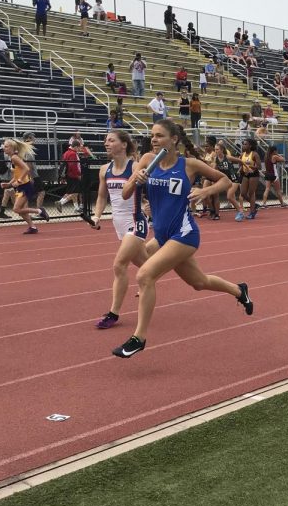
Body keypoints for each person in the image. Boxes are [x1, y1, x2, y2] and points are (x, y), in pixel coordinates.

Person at [111, 119, 254, 358]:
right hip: (164, 235)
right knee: (199, 282)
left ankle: (139, 338)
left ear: (174, 139)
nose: (154, 140)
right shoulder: (147, 160)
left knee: (145, 274)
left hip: (185, 233)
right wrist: (137, 180)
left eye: (159, 135)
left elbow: (225, 180)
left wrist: (204, 191)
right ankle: (239, 290)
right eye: (152, 135)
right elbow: (125, 193)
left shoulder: (188, 164)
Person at [91, 130, 150, 329]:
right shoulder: (103, 170)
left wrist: (151, 205)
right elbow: (101, 197)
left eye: (111, 140)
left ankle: (113, 313)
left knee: (119, 265)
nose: (106, 143)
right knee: (145, 264)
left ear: (124, 144)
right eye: (105, 140)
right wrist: (96, 215)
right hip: (118, 223)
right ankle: (159, 268)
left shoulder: (135, 167)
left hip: (136, 221)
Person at [0, 138, 50, 233]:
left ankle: (39, 211)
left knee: (16, 209)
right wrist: (9, 184)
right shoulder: (12, 158)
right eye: (4, 146)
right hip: (21, 186)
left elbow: (26, 169)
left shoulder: (15, 158)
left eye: (6, 146)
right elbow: (17, 175)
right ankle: (33, 227)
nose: (4, 148)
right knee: (21, 211)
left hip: (26, 186)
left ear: (12, 148)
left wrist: (19, 181)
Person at [214, 140, 244, 219]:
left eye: (217, 149)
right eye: (215, 149)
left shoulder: (227, 157)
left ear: (221, 150)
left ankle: (240, 211)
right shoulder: (216, 159)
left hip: (234, 179)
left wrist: (244, 168)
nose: (215, 151)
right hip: (226, 181)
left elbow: (240, 161)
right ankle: (239, 211)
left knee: (229, 197)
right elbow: (214, 170)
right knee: (231, 197)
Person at [56, 137, 84, 213]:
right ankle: (61, 202)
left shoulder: (66, 153)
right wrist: (78, 175)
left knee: (69, 192)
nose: (79, 150)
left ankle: (76, 208)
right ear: (76, 147)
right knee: (75, 193)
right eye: (79, 148)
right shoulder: (72, 154)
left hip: (68, 175)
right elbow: (73, 166)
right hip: (73, 176)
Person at [236, 138, 261, 220]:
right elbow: (240, 164)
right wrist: (240, 170)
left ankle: (252, 212)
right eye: (243, 144)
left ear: (250, 146)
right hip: (245, 174)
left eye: (245, 144)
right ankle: (255, 205)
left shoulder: (254, 154)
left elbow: (259, 166)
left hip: (253, 174)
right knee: (242, 193)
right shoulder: (242, 154)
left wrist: (250, 166)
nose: (243, 145)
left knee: (251, 193)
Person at [21, 132, 46, 210]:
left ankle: (27, 210)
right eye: (32, 137)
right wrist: (30, 177)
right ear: (28, 138)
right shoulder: (27, 150)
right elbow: (28, 164)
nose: (34, 139)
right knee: (41, 192)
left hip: (28, 174)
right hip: (32, 175)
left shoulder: (24, 148)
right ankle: (39, 210)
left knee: (26, 194)